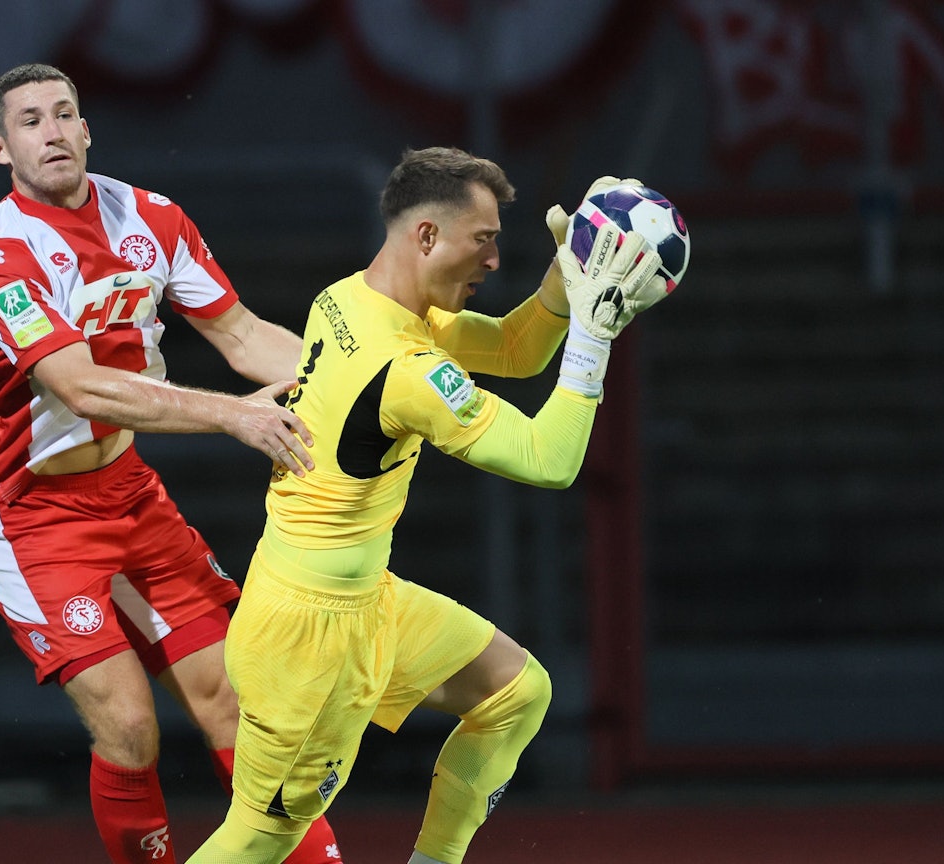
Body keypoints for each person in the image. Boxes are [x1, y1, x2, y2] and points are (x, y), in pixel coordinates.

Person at [184, 150, 667, 864]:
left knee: (516, 690)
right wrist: (594, 335)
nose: (497, 259)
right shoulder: (404, 369)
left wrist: (571, 276)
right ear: (428, 238)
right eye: (485, 239)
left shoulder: (350, 299)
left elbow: (511, 347)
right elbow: (549, 459)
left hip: (358, 595)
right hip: (308, 638)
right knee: (261, 834)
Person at [0, 63, 342, 864]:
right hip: (34, 517)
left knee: (241, 706)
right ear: (0, 148)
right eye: (30, 122)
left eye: (66, 114)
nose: (53, 131)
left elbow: (241, 336)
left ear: (88, 128)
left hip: (131, 496)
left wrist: (364, 382)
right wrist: (235, 416)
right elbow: (83, 387)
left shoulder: (152, 216)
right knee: (130, 727)